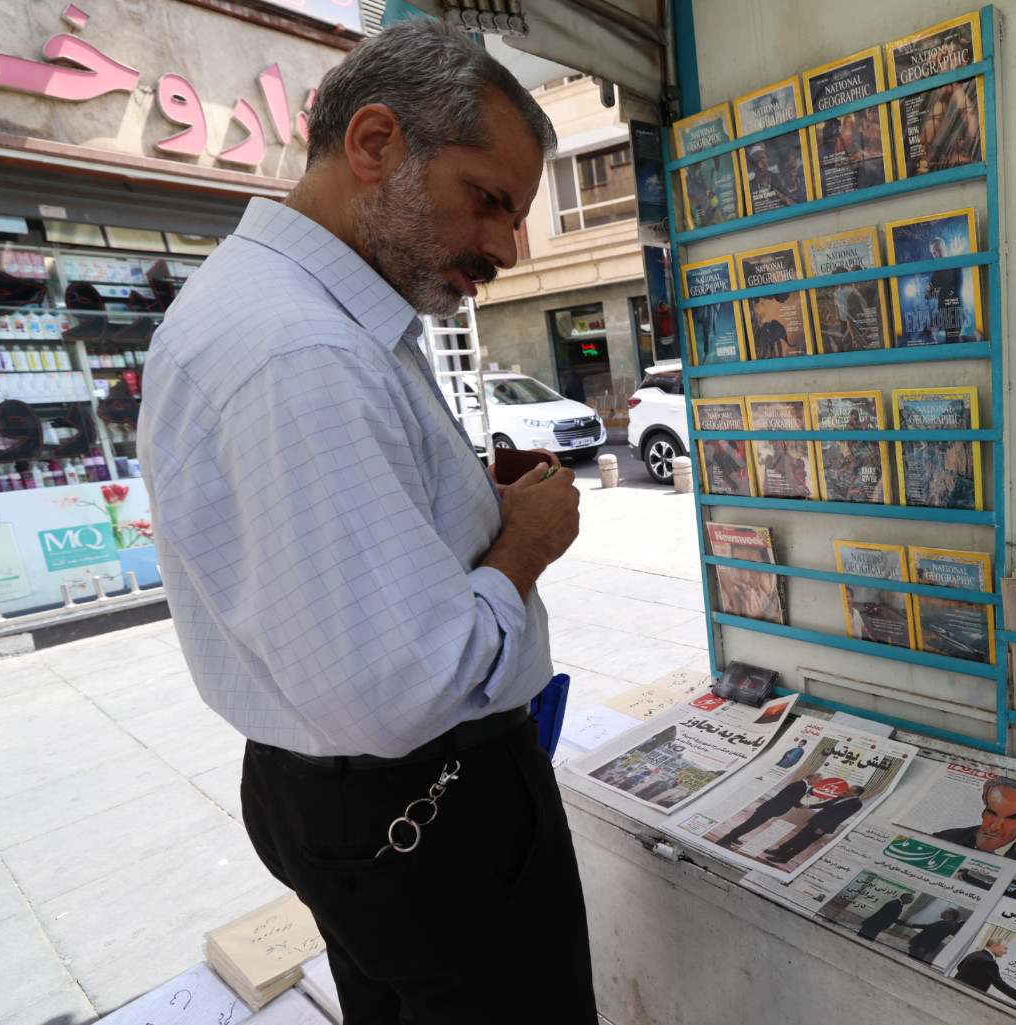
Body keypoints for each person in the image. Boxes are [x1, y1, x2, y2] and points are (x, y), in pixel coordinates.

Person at [137, 21, 595, 1023]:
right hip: (429, 803)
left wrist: (457, 500)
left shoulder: (299, 312)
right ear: (376, 143)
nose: (504, 248)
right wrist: (524, 544)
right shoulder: (303, 348)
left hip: (349, 799)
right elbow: (403, 689)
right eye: (489, 200)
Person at [932, 778, 1016, 856]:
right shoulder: (946, 837)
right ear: (984, 812)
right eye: (992, 813)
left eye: (1011, 818)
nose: (994, 827)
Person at [762, 784, 865, 864]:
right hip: (815, 821)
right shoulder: (841, 797)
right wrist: (808, 806)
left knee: (802, 843)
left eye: (849, 790)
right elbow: (825, 804)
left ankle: (784, 858)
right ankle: (778, 852)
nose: (845, 791)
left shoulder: (856, 804)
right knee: (797, 838)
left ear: (856, 794)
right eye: (847, 789)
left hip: (823, 826)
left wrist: (823, 828)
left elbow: (840, 817)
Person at [720, 772, 820, 849]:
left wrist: (805, 796)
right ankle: (725, 841)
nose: (818, 783)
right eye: (818, 780)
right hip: (770, 809)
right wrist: (801, 806)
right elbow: (794, 800)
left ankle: (733, 837)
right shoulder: (800, 786)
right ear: (812, 778)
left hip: (770, 808)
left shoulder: (801, 785)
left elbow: (792, 796)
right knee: (749, 825)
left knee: (752, 825)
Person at [955, 939, 1016, 1005]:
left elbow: (959, 967)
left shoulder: (975, 953)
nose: (1006, 952)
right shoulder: (989, 961)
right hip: (966, 995)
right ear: (995, 946)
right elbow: (1000, 984)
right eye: (1005, 949)